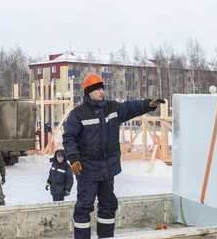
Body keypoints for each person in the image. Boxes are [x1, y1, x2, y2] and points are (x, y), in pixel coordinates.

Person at [63, 73, 165, 239]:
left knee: (109, 205)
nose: (101, 92)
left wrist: (149, 104)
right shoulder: (78, 114)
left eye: (102, 88)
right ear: (89, 92)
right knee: (84, 207)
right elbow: (69, 138)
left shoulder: (112, 108)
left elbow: (130, 107)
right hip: (87, 169)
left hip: (107, 169)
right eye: (97, 90)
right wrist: (74, 159)